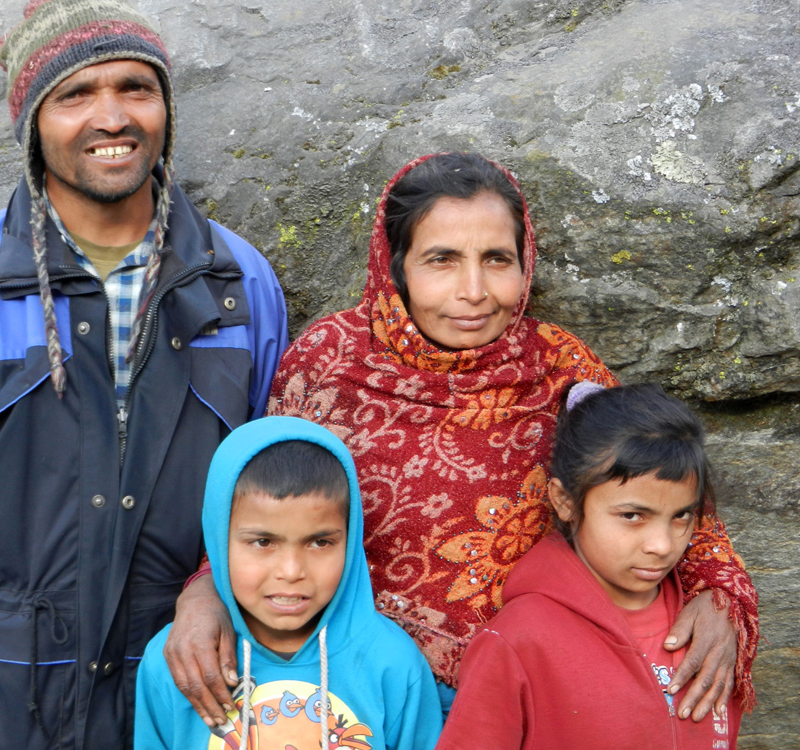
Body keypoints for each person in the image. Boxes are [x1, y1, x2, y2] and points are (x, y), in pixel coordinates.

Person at [166, 152, 758, 727]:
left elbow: (660, 484)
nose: (473, 290)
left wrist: (719, 593)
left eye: (497, 259)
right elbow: (256, 495)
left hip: (528, 689)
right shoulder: (328, 361)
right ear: (394, 265)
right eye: (441, 259)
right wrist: (206, 590)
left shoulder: (561, 368)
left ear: (526, 265)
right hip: (360, 694)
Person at [0, 1, 287, 748]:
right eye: (75, 95)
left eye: (135, 88)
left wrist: (213, 585)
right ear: (32, 123)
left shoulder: (237, 283)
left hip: (178, 693)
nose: (112, 117)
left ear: (166, 108)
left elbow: (273, 481)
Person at [436, 381, 751, 749]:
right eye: (633, 515)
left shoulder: (713, 629)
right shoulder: (518, 642)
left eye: (681, 516)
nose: (662, 545)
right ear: (565, 502)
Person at [135, 416, 443, 750]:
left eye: (320, 542)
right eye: (263, 542)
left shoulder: (391, 662)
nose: (292, 570)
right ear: (218, 540)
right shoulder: (181, 661)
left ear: (351, 542)